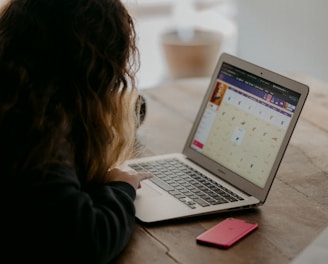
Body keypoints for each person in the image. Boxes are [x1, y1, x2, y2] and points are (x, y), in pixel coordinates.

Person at [0, 0, 152, 263]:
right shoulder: (34, 133)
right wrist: (121, 187)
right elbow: (87, 241)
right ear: (91, 68)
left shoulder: (15, 94)